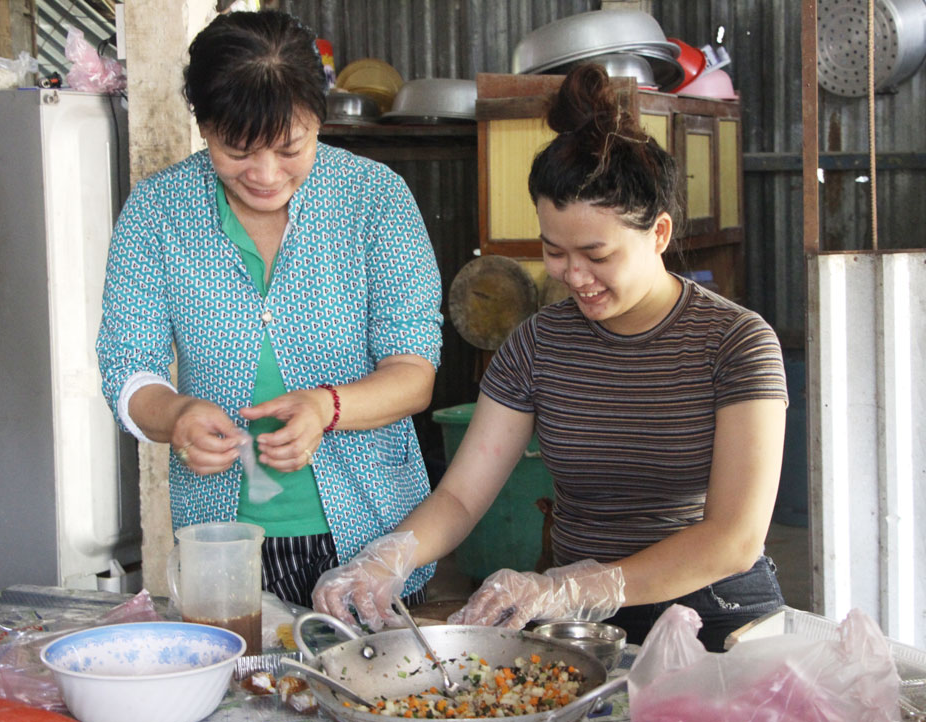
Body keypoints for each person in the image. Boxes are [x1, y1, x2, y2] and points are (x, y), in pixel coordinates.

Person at [313, 63, 788, 651]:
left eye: (596, 253)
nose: (574, 276)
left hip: (719, 621)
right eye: (554, 251)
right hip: (582, 631)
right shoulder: (538, 344)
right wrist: (385, 559)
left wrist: (572, 585)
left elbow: (733, 539)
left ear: (659, 233)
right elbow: (461, 496)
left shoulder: (737, 342)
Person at [95, 10, 443, 610]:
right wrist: (175, 413)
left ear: (318, 121)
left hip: (372, 531)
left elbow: (414, 373)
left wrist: (326, 406)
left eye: (289, 148)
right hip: (221, 541)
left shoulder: (375, 200)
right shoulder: (157, 211)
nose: (264, 174)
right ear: (203, 125)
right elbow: (127, 366)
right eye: (237, 149)